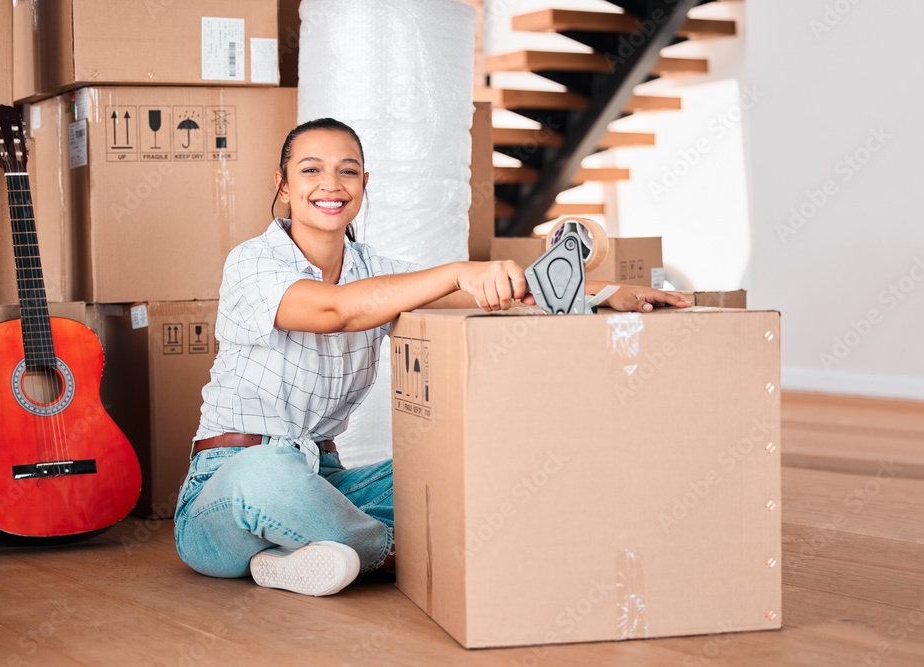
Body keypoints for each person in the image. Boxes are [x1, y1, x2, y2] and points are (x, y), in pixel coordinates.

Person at [173, 118, 691, 597]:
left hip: (325, 482)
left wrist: (605, 291)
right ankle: (395, 551)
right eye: (311, 170)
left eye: (347, 171)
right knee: (266, 474)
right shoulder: (251, 260)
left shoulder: (373, 269)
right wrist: (456, 269)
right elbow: (334, 312)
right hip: (228, 489)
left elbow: (490, 291)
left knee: (456, 467)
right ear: (284, 185)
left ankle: (303, 554)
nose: (330, 184)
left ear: (364, 183)